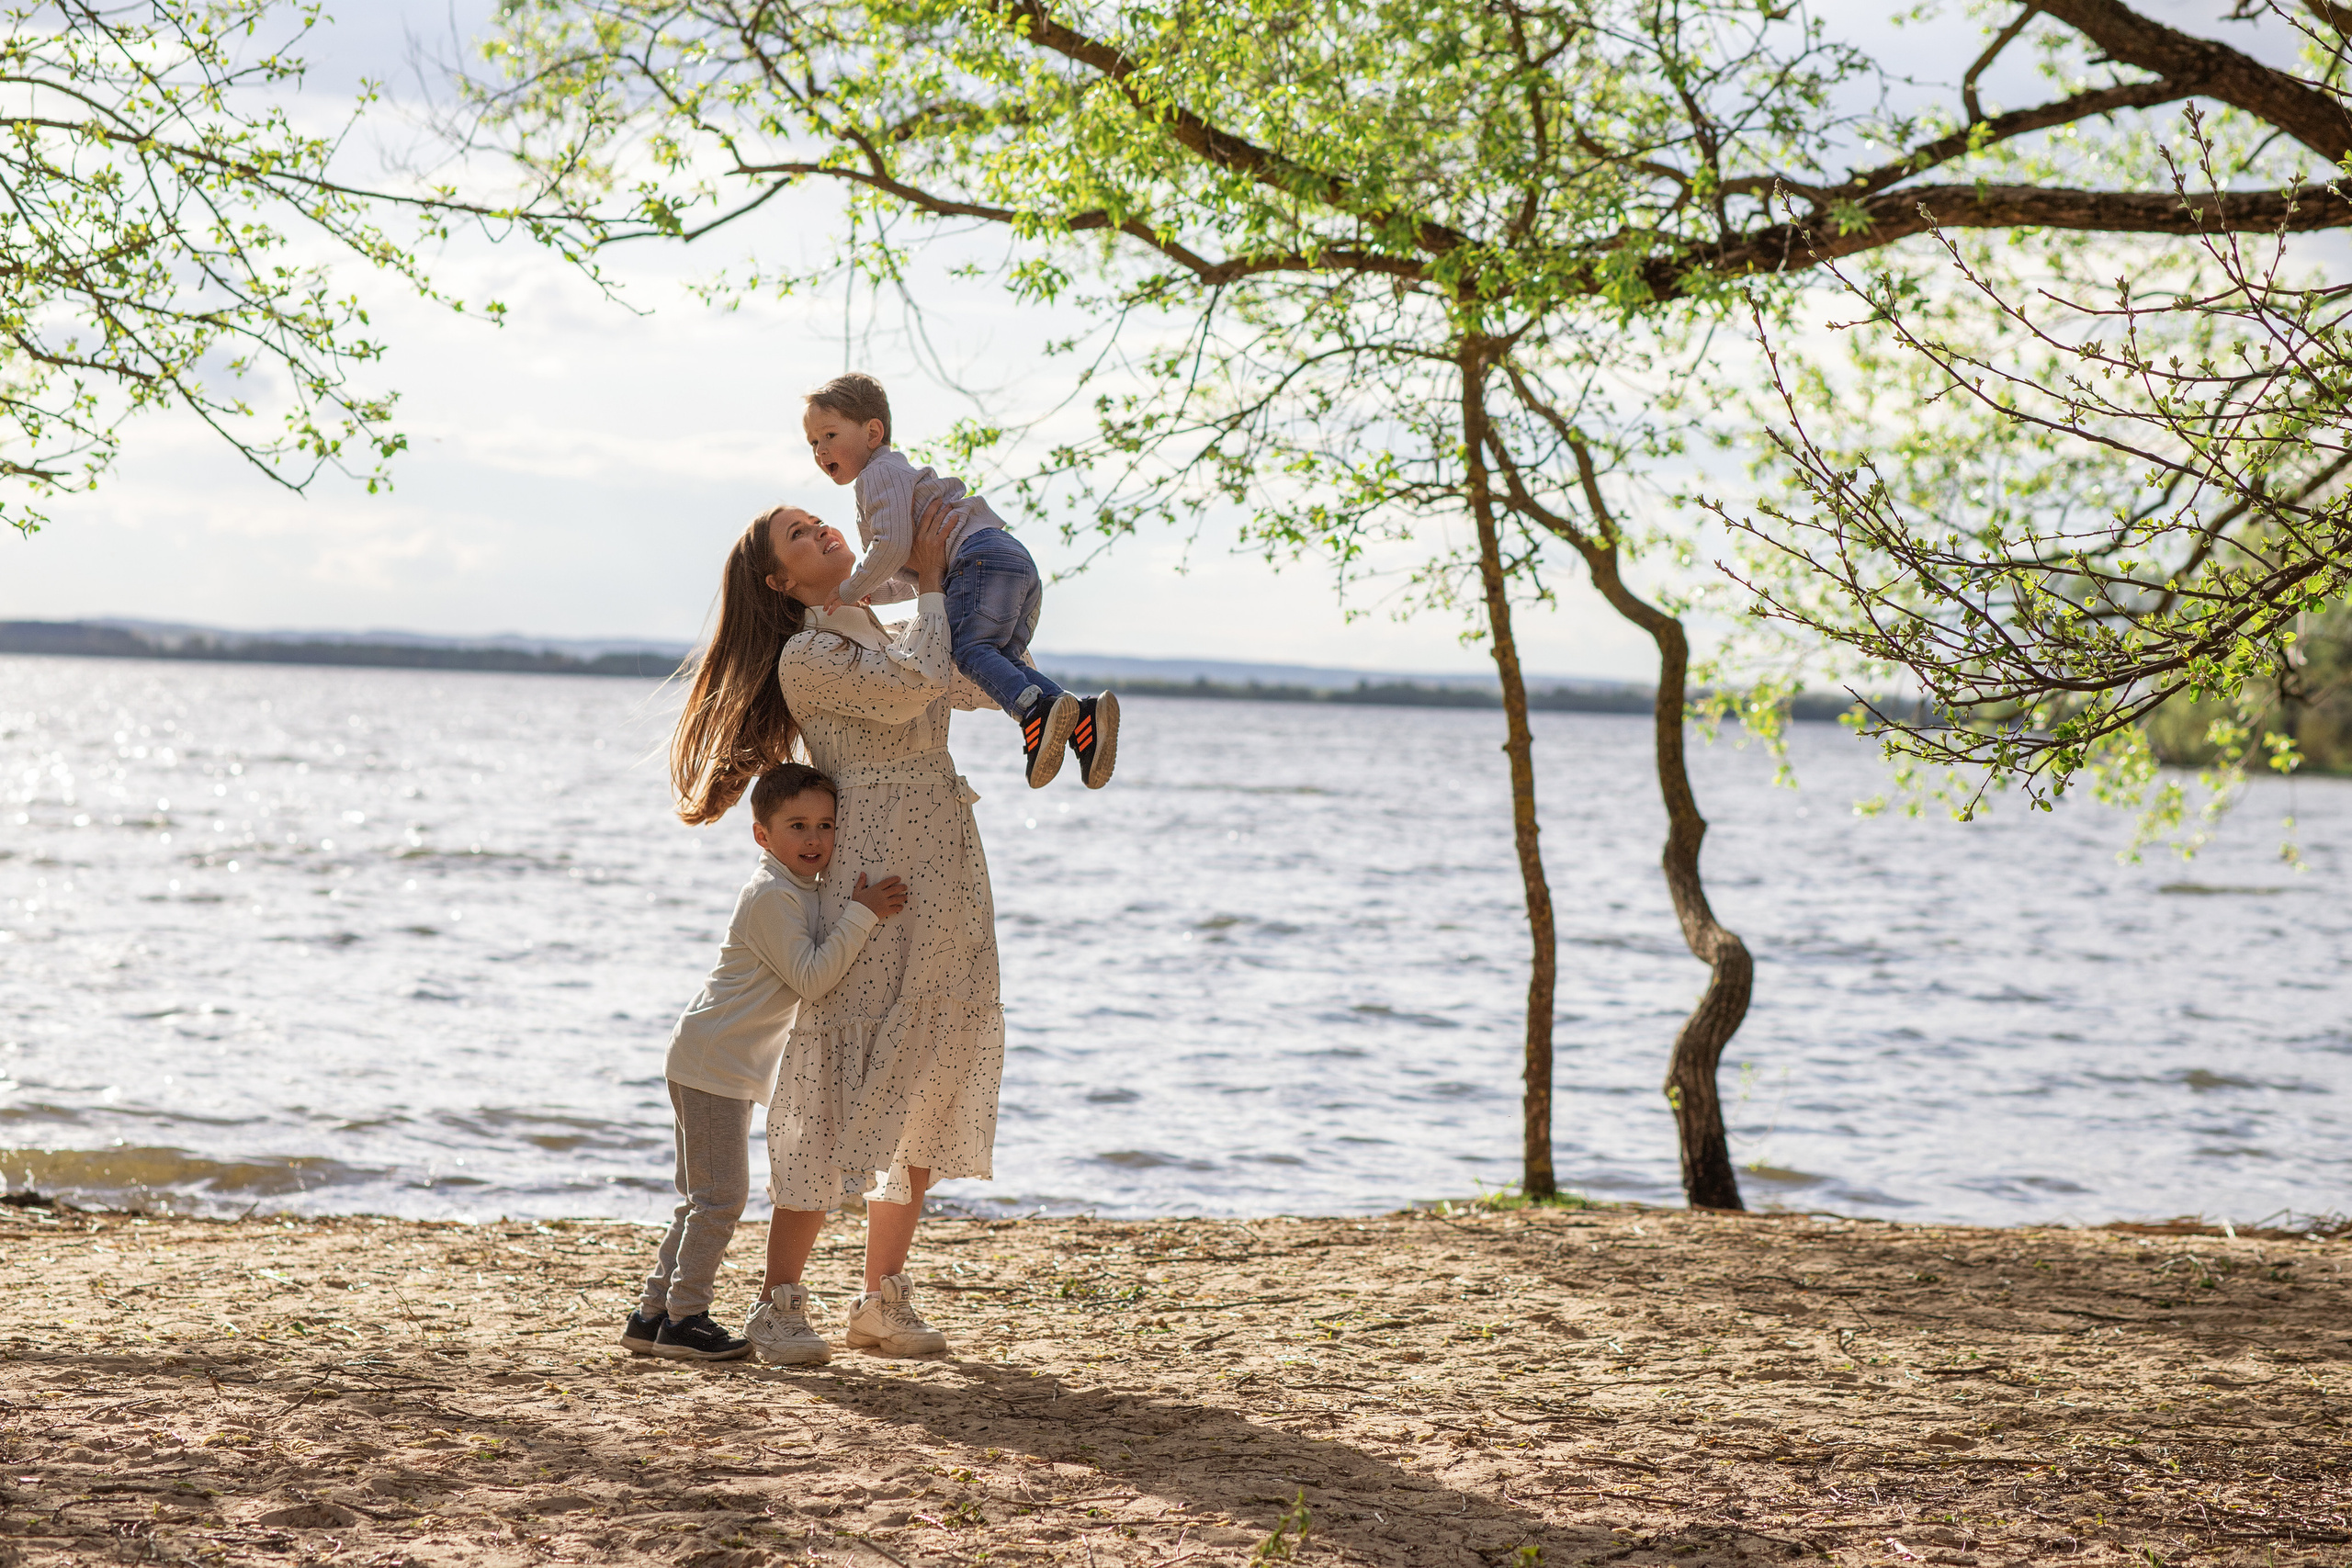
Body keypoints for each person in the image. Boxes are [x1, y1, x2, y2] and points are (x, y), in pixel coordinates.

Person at [670, 498, 1001, 1361]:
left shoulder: (890, 625)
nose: (822, 525)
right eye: (797, 533)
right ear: (780, 581)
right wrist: (929, 583)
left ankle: (882, 1298)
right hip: (873, 869)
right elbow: (914, 690)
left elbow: (974, 681)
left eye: (820, 517)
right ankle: (780, 1303)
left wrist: (982, 591)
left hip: (948, 861)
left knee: (926, 1067)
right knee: (834, 1076)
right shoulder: (806, 654)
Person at [624, 763, 908, 1362]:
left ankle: (652, 1314)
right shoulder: (772, 895)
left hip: (711, 1060)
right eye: (797, 825)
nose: (814, 839)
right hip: (712, 1065)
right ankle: (684, 1319)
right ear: (762, 835)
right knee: (721, 1198)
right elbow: (811, 976)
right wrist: (863, 912)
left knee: (700, 1196)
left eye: (826, 825)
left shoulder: (795, 889)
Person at [802, 370, 1120, 791]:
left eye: (828, 435)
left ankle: (1032, 712)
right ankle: (1083, 719)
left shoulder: (876, 475)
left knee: (968, 652)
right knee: (1000, 659)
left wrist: (850, 589)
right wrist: (871, 595)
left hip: (976, 560)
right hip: (1005, 556)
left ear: (873, 432)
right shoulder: (894, 477)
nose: (820, 450)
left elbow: (892, 546)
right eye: (812, 443)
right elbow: (912, 574)